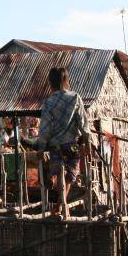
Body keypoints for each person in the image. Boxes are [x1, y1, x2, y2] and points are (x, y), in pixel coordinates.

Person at [33, 66, 90, 219]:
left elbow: (45, 127)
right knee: (69, 176)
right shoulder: (75, 97)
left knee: (59, 173)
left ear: (50, 82)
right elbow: (83, 122)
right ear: (66, 80)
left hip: (55, 146)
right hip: (71, 144)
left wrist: (41, 147)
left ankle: (60, 205)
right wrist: (87, 141)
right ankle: (61, 205)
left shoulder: (49, 102)